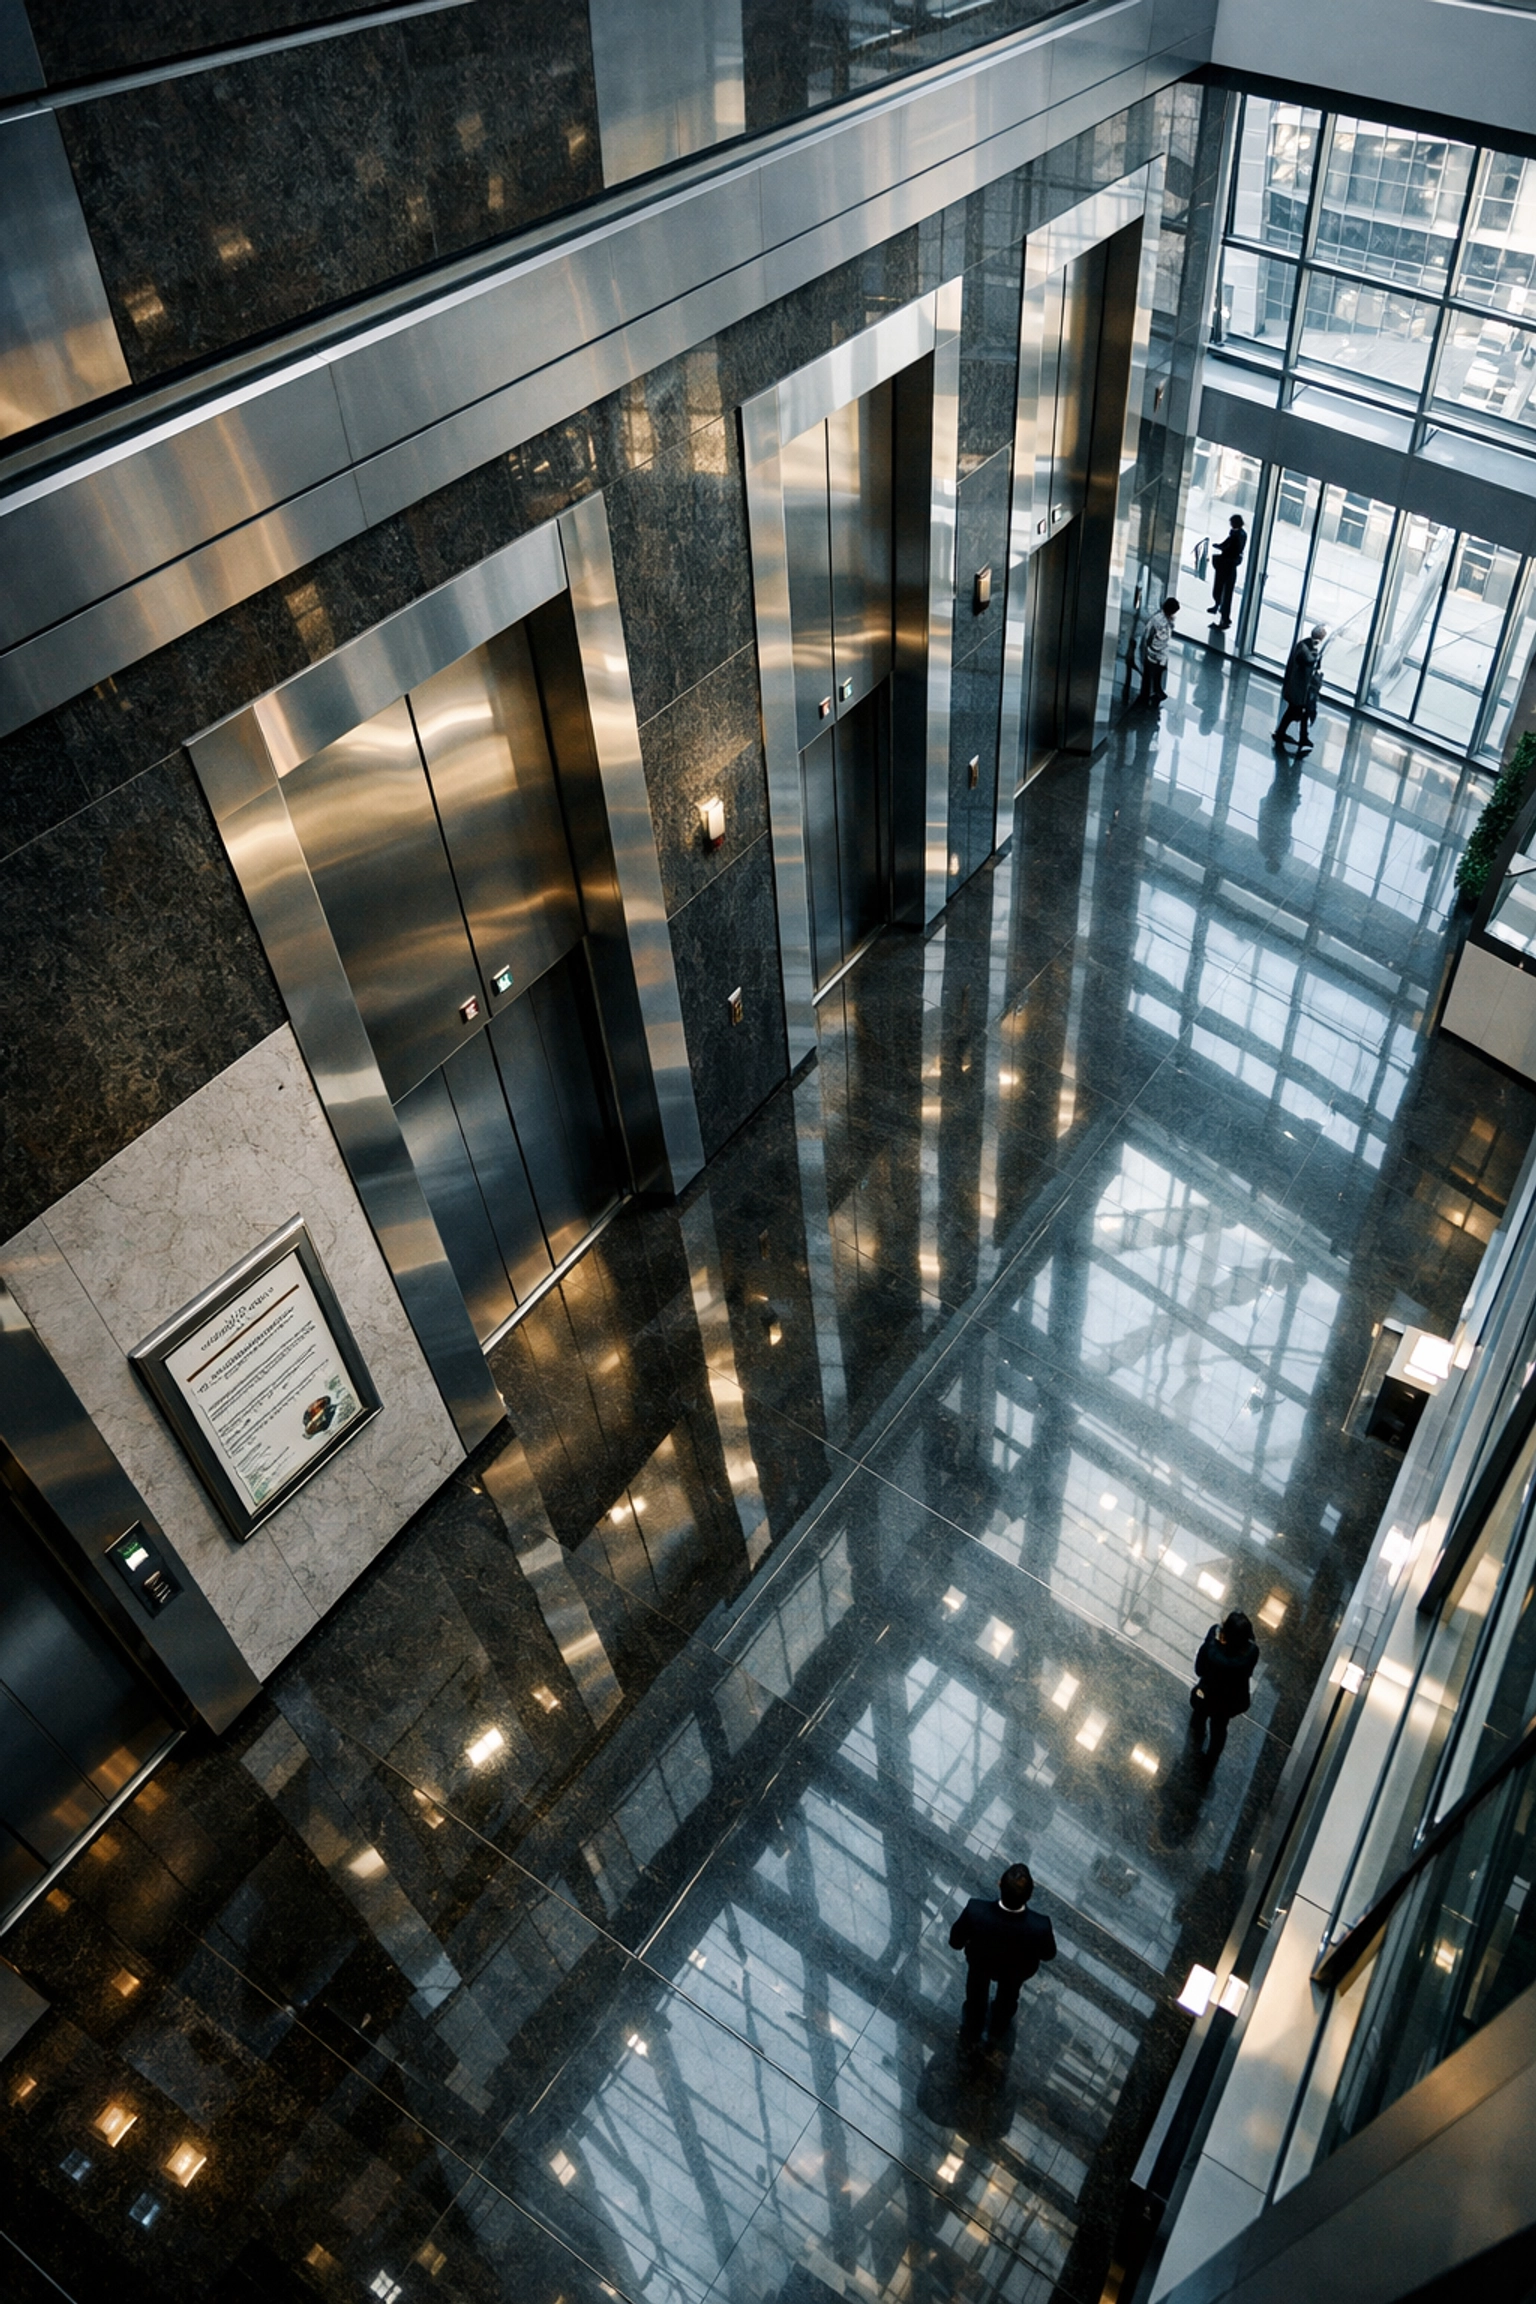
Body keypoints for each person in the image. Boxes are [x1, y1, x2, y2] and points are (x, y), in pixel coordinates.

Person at [949, 1862, 1057, 2051]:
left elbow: (955, 1941)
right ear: (1030, 1895)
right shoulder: (1041, 1926)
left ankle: (973, 2023)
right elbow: (1048, 1954)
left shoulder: (976, 1910)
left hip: (980, 1964)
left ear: (999, 1884)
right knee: (1008, 1998)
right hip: (1016, 1972)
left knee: (976, 1992)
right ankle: (998, 2028)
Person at [1189, 1611, 1259, 1763]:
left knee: (1199, 1719)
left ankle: (1194, 1743)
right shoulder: (1251, 1654)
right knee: (1219, 1729)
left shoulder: (1211, 1648)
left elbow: (1199, 1669)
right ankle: (1212, 1757)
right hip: (1228, 1704)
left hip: (1206, 1696)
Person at [1274, 626, 1327, 751]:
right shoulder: (1304, 647)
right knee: (1295, 710)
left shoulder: (1308, 645)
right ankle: (1283, 733)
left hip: (1302, 687)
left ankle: (1301, 736)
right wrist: (1314, 659)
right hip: (1299, 686)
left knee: (1301, 711)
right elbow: (1305, 662)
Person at [1140, 597, 1179, 708]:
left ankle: (1156, 690)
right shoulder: (1157, 620)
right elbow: (1149, 635)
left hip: (1161, 651)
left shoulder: (1167, 620)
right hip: (1154, 652)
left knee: (1158, 672)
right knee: (1151, 674)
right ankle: (1149, 694)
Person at [1208, 515, 1246, 630]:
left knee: (1224, 591)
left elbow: (1231, 548)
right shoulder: (1239, 534)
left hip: (1227, 565)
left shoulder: (1237, 535)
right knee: (1223, 590)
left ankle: (1224, 619)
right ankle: (1219, 608)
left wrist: (1221, 548)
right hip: (1229, 565)